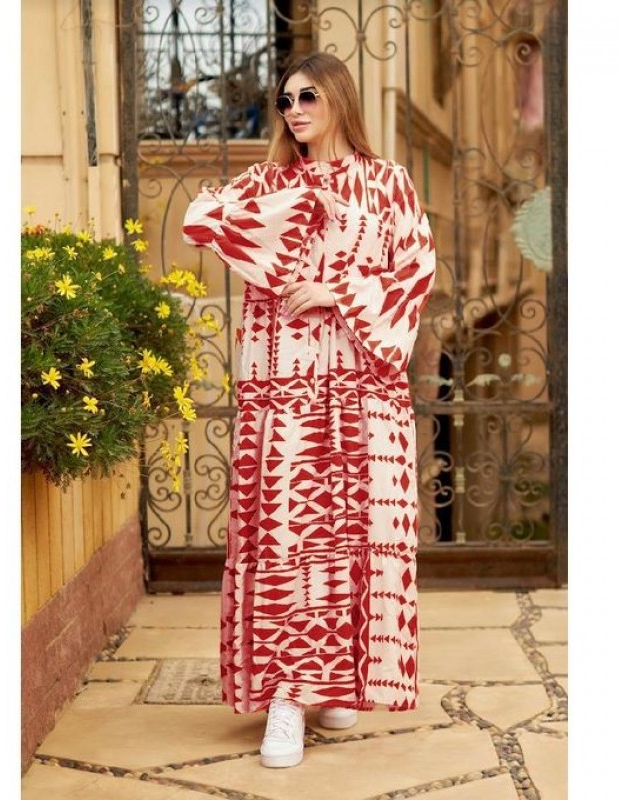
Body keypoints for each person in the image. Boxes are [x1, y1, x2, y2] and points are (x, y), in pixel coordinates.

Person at [182, 51, 436, 769]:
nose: (294, 111)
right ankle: (287, 699)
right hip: (285, 389)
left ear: (339, 100)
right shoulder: (270, 183)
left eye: (308, 97)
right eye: (286, 100)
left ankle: (337, 681)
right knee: (288, 536)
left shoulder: (387, 183)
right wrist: (281, 226)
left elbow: (415, 272)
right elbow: (203, 218)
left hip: (363, 387)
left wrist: (338, 290)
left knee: (357, 534)